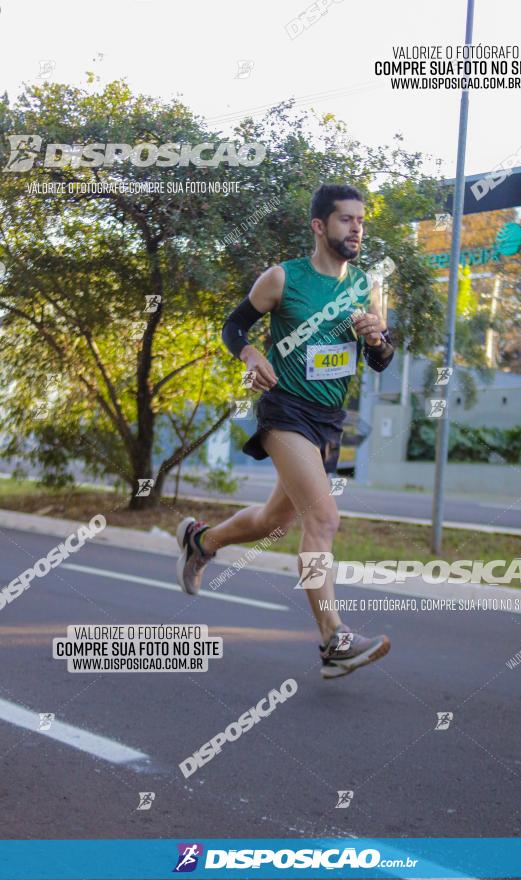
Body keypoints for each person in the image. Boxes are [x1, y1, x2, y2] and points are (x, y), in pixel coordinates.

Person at [176, 183, 395, 679]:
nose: (356, 228)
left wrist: (379, 340)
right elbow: (233, 327)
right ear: (320, 226)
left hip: (328, 421)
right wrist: (252, 354)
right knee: (323, 520)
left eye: (361, 220)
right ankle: (333, 639)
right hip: (286, 413)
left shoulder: (364, 286)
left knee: (275, 523)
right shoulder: (282, 279)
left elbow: (381, 360)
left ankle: (202, 541)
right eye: (345, 219)